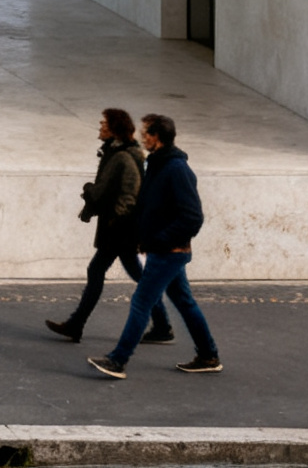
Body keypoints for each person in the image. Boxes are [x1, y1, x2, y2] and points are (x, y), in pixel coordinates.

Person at [88, 113, 223, 377]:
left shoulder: (177, 169)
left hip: (168, 252)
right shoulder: (158, 165)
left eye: (145, 133)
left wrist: (160, 239)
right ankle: (208, 355)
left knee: (141, 302)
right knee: (185, 302)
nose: (141, 137)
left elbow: (193, 217)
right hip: (163, 250)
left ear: (156, 137)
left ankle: (118, 360)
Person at [46, 108, 171, 345]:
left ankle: (76, 324)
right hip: (120, 228)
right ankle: (162, 325)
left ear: (114, 129)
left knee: (97, 271)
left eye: (104, 123)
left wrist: (91, 192)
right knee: (137, 275)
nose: (100, 126)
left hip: (120, 229)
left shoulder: (124, 157)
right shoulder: (116, 152)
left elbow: (128, 194)